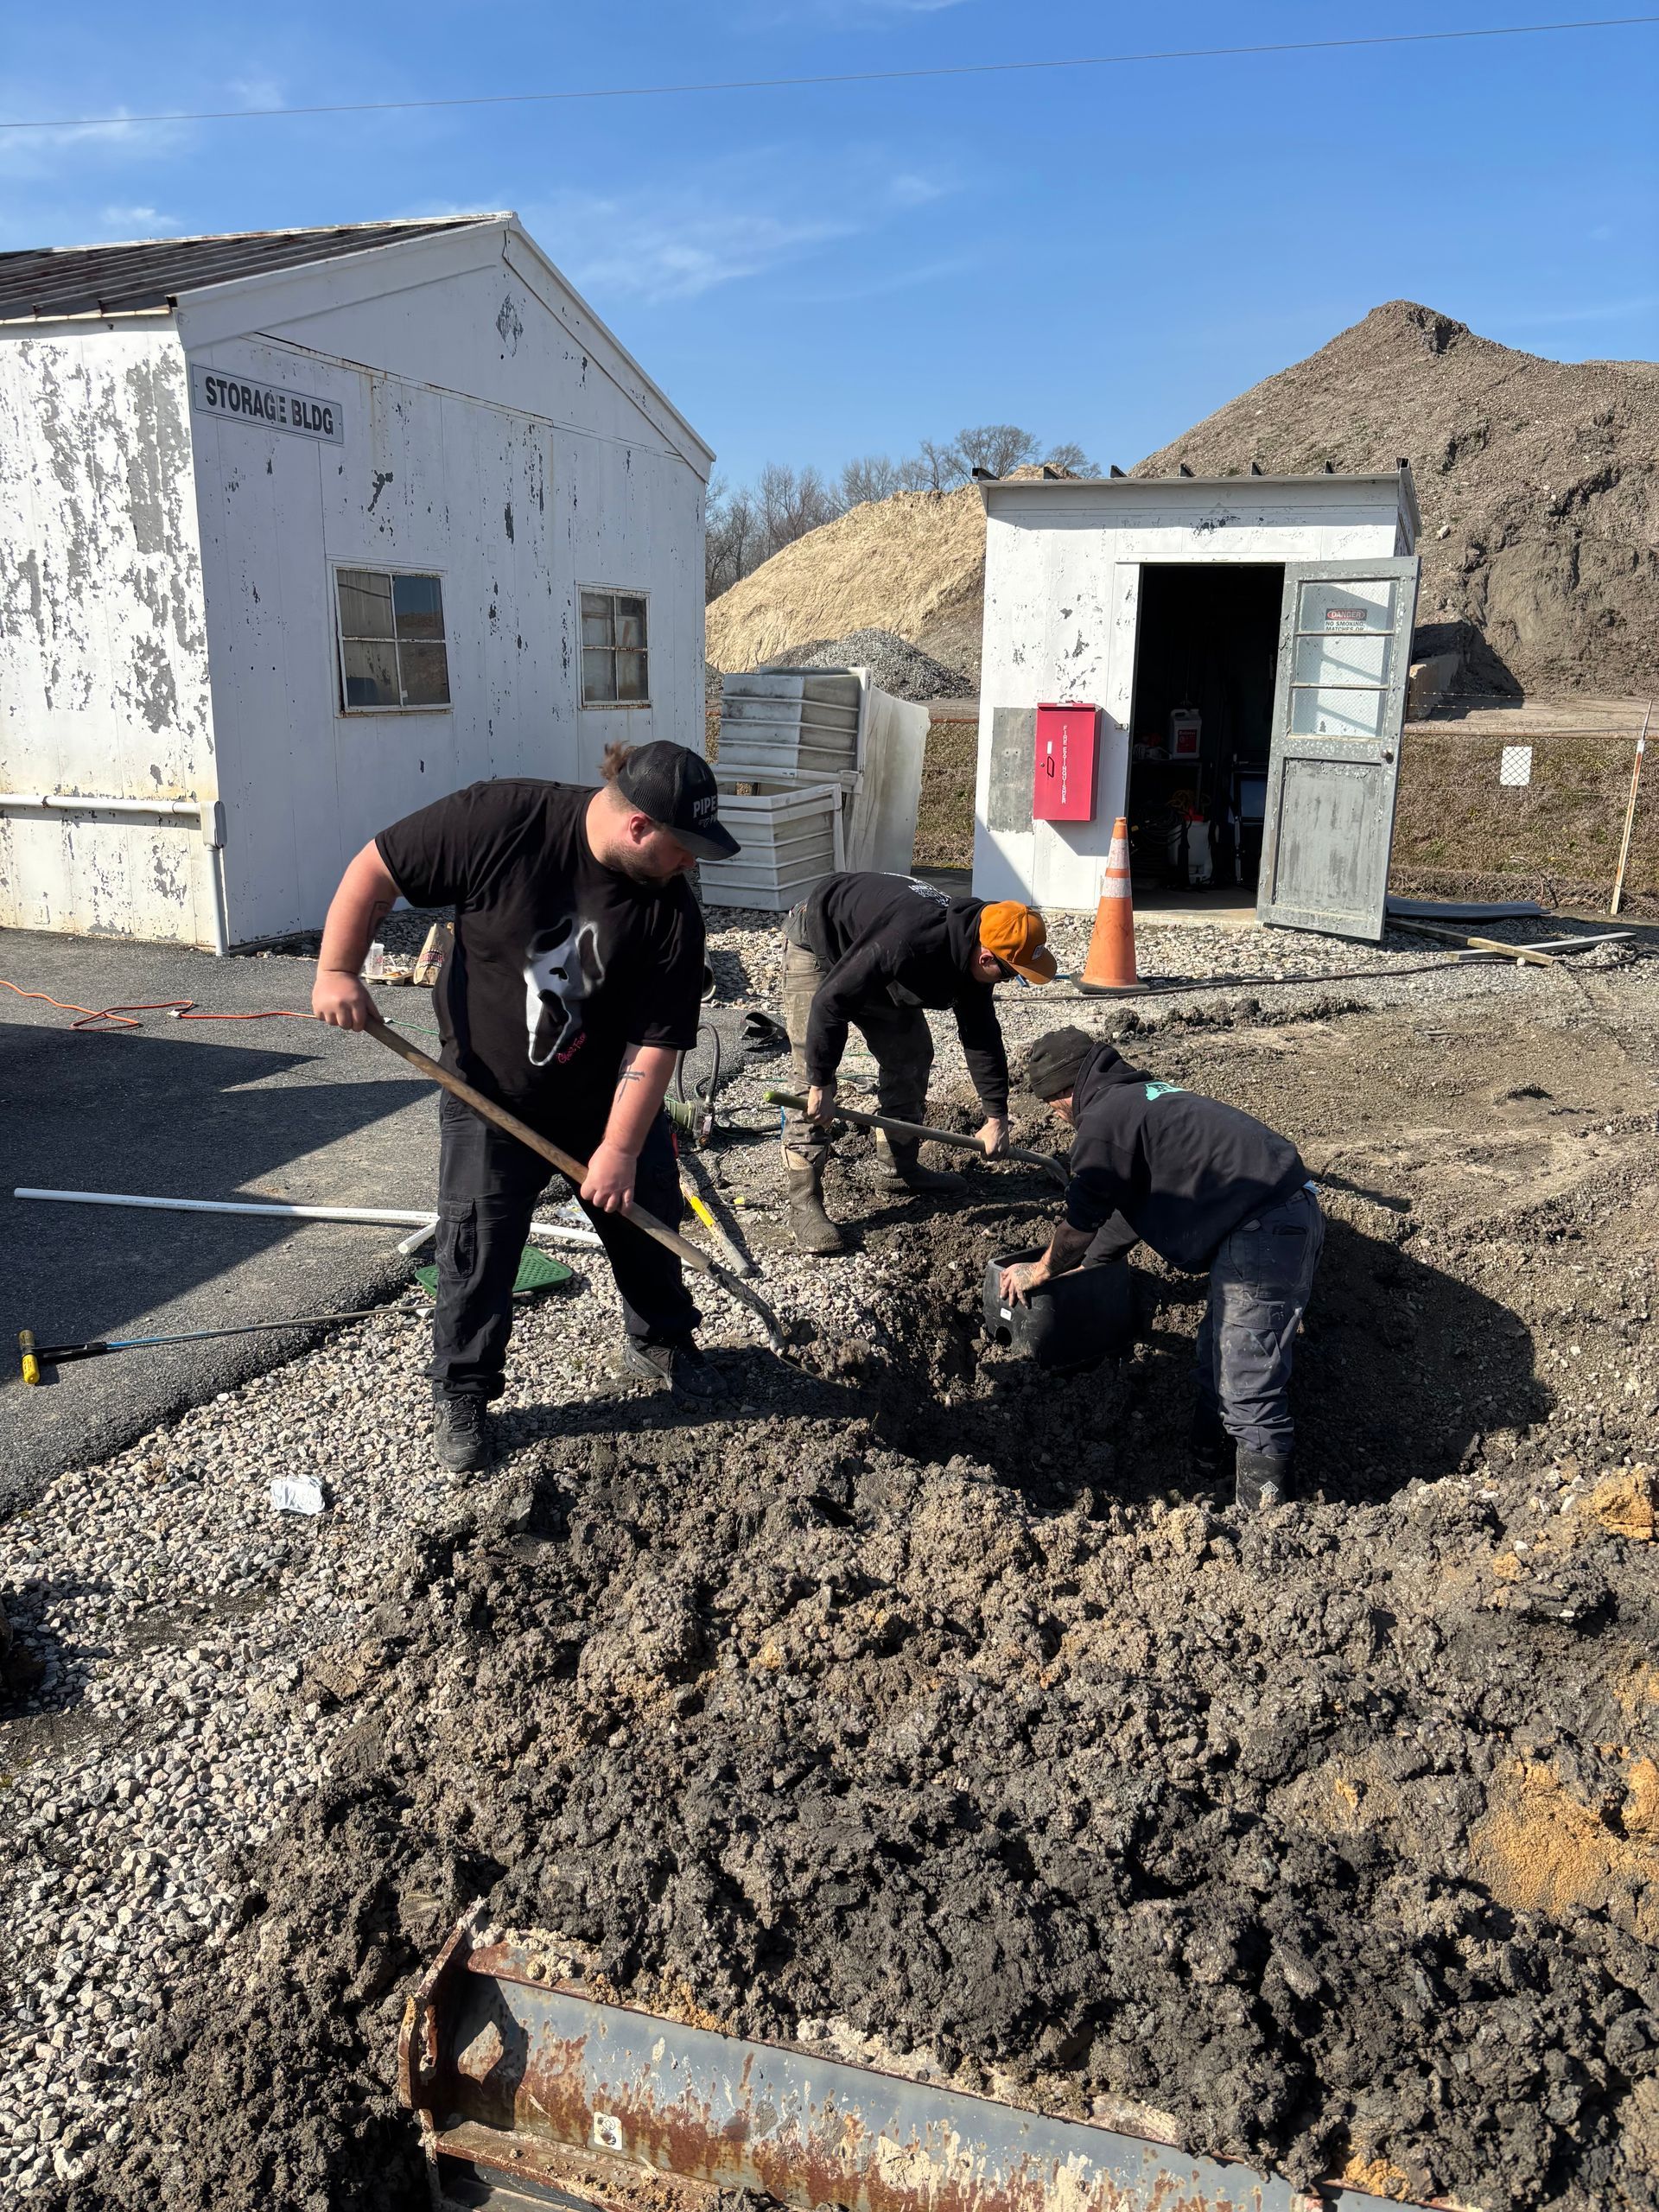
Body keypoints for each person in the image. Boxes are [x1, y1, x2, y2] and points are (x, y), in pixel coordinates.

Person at [312, 741, 740, 1474]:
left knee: (647, 1219)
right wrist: (336, 968)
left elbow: (655, 1043)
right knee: (480, 1246)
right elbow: (375, 868)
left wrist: (619, 1149)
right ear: (639, 826)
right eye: (683, 848)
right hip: (488, 1091)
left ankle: (660, 1340)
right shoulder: (500, 818)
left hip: (605, 1094)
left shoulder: (671, 910)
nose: (690, 865)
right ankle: (465, 1390)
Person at [1004, 1027, 1323, 1511]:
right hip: (1272, 1215)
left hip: (1265, 1226)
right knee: (1215, 1353)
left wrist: (1044, 1268)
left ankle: (1268, 1523)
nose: (1060, 1117)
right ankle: (1206, 1465)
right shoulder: (1139, 1100)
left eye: (1053, 1106)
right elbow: (1123, 1212)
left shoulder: (1104, 1118)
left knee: (1247, 1377)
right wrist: (1090, 1267)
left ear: (1064, 1092)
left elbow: (1085, 1212)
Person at [779, 873, 1057, 1253]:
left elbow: (982, 1035)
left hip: (873, 952)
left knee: (911, 1054)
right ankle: (805, 1200)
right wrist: (823, 1083)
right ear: (987, 956)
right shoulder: (913, 940)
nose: (1008, 982)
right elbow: (831, 1002)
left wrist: (996, 1117)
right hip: (820, 945)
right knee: (809, 1074)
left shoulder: (976, 945)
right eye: (1010, 974)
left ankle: (898, 1167)